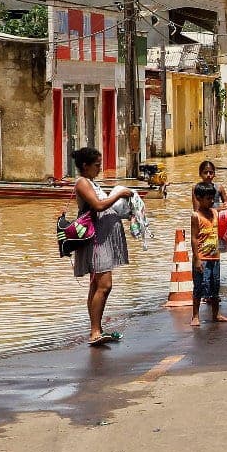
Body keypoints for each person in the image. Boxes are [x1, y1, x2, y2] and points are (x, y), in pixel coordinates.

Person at [71, 147, 134, 346]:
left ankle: (96, 329)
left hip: (102, 239)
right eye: (97, 165)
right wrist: (119, 194)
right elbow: (98, 205)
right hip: (96, 240)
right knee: (105, 285)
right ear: (85, 166)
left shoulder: (92, 183)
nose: (99, 168)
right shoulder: (82, 182)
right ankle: (95, 331)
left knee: (97, 285)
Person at [190, 183, 227, 326]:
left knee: (215, 286)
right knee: (199, 287)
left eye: (212, 198)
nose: (211, 201)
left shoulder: (214, 213)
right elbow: (194, 238)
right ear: (199, 198)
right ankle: (195, 316)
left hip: (215, 256)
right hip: (202, 257)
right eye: (208, 199)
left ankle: (216, 314)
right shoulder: (196, 216)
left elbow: (226, 215)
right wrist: (196, 259)